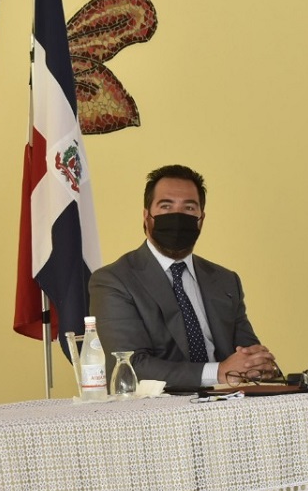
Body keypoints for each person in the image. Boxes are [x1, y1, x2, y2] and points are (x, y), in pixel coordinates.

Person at [88, 164, 275, 388]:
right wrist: (218, 372)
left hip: (228, 407)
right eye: (166, 206)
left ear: (201, 219)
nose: (177, 216)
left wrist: (258, 365)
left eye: (189, 208)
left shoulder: (226, 280)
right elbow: (130, 366)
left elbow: (247, 353)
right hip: (158, 414)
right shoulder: (114, 281)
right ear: (147, 216)